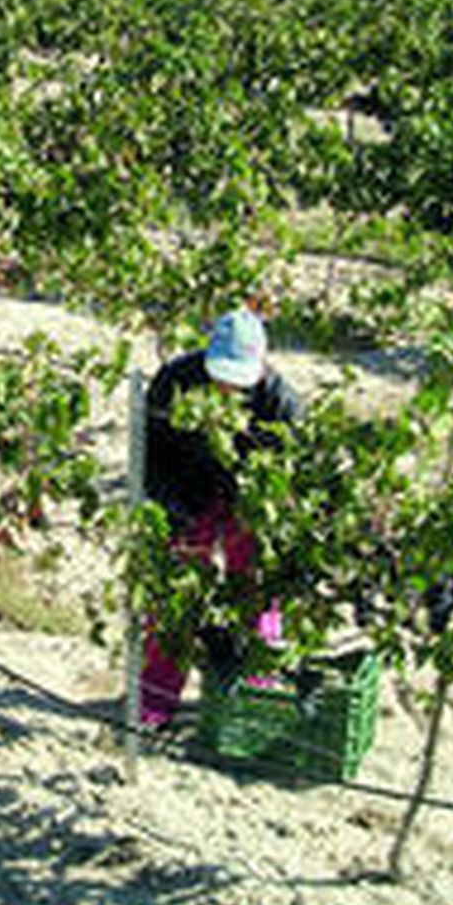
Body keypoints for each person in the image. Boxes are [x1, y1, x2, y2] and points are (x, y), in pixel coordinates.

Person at [140, 306, 305, 729]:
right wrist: (170, 506)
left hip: (246, 500)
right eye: (221, 374)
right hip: (187, 491)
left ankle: (255, 691)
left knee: (255, 593)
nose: (227, 386)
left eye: (238, 378)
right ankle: (155, 701)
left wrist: (266, 520)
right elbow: (151, 455)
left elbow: (288, 479)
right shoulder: (174, 381)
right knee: (175, 598)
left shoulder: (281, 402)